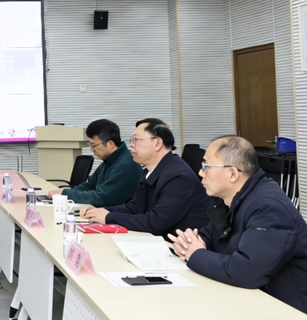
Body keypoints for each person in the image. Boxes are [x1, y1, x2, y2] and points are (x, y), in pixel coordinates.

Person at [170, 136, 307, 314]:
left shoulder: (268, 207)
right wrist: (189, 243)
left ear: (233, 174)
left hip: (285, 310)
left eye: (206, 166)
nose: (200, 173)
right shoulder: (230, 200)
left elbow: (247, 271)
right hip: (245, 301)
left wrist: (195, 254)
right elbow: (208, 238)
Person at [81, 118, 211, 237]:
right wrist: (101, 211)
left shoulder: (178, 177)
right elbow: (135, 207)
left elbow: (155, 223)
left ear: (157, 143)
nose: (131, 145)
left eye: (136, 140)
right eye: (131, 140)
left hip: (178, 248)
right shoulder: (151, 171)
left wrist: (109, 217)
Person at [47, 119, 142, 206]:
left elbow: (102, 198)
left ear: (110, 144)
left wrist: (67, 194)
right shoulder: (110, 160)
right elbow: (91, 185)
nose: (92, 149)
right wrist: (65, 192)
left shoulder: (125, 165)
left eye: (93, 145)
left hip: (118, 216)